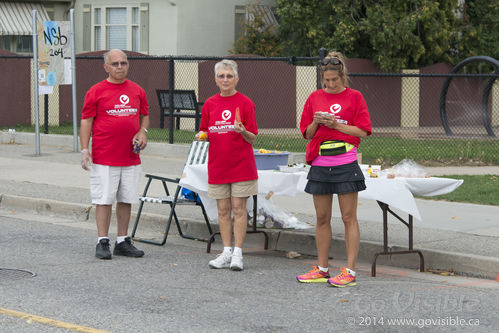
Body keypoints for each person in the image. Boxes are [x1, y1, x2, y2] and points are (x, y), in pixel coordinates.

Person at [296, 51, 371, 287]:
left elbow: (363, 131)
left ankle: (350, 271)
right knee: (321, 218)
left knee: (349, 217)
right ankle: (322, 269)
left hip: (345, 162)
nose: (330, 85)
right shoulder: (314, 97)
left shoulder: (355, 97)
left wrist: (337, 125)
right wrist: (317, 122)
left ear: (343, 77)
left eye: (334, 81)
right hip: (320, 163)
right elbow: (306, 134)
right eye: (326, 81)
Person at [80, 49, 150, 260]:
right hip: (104, 157)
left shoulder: (137, 90)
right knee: (104, 199)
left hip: (130, 157)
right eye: (115, 64)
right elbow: (86, 121)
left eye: (123, 63)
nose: (120, 67)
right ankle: (102, 241)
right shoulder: (96, 91)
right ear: (106, 67)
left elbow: (144, 115)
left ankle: (122, 240)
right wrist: (85, 150)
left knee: (126, 199)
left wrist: (142, 132)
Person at [196, 59, 258, 271]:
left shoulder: (246, 103)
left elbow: (252, 138)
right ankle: (226, 251)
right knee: (223, 210)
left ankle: (238, 255)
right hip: (218, 165)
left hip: (241, 165)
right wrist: (201, 136)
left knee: (239, 209)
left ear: (237, 78)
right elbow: (205, 131)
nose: (225, 80)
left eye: (229, 76)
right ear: (215, 79)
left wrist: (242, 131)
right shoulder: (210, 104)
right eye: (221, 76)